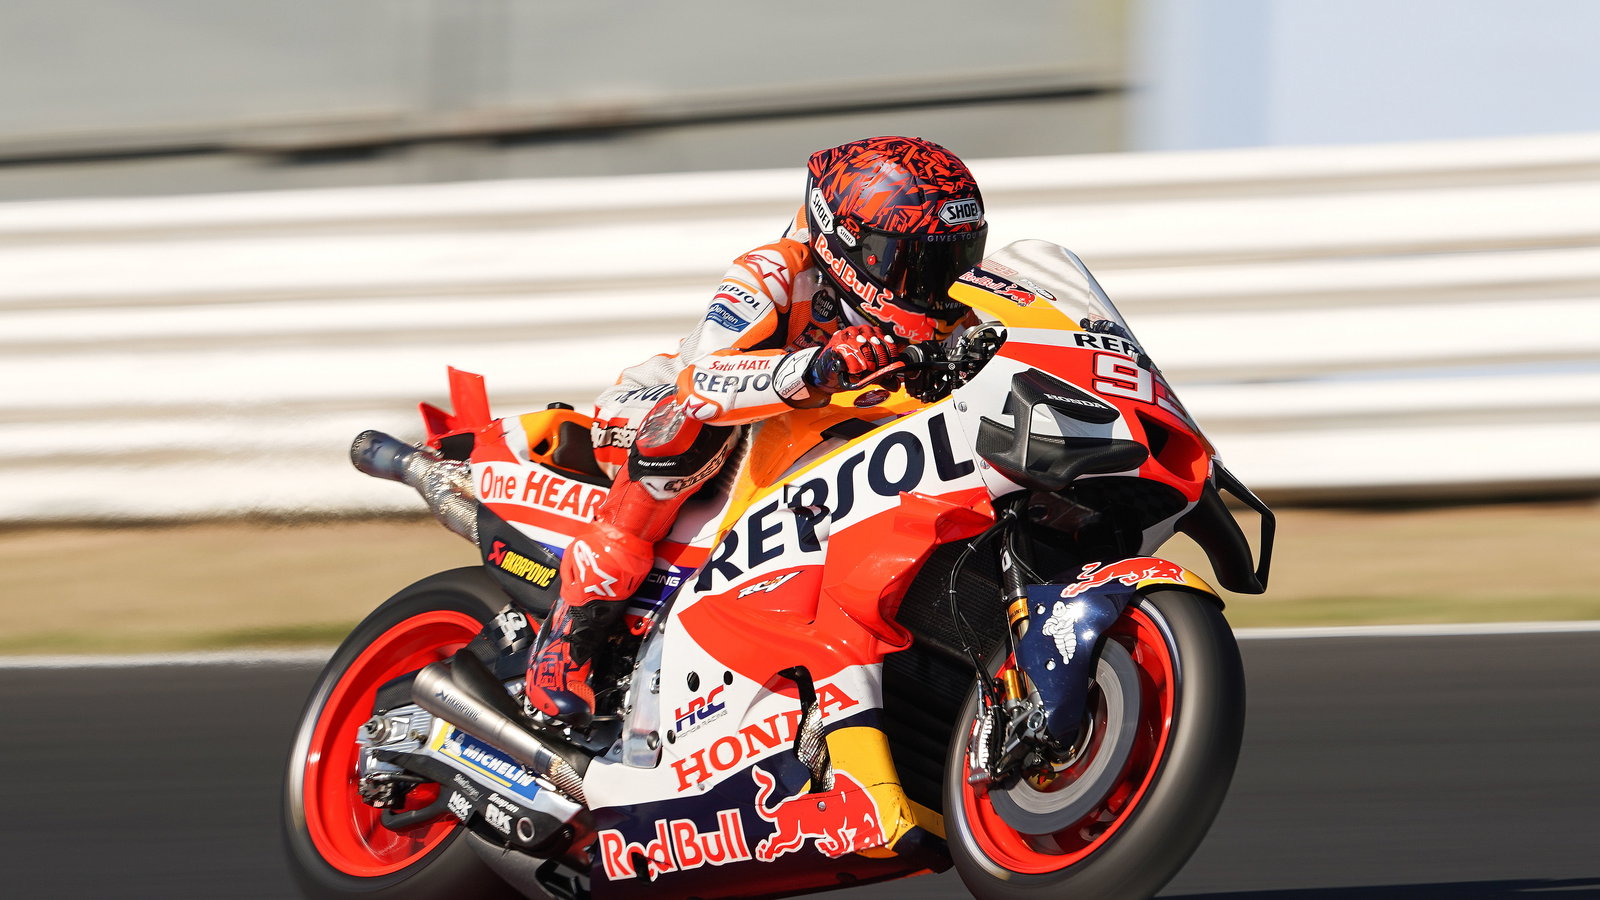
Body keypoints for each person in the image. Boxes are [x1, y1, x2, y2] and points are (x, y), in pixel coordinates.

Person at [524, 135, 990, 723]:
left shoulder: (951, 312)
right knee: (688, 427)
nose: (940, 282)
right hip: (653, 409)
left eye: (956, 259)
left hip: (794, 441)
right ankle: (571, 630)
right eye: (917, 262)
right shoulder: (774, 272)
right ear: (849, 244)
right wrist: (816, 367)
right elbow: (702, 381)